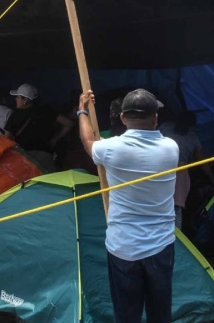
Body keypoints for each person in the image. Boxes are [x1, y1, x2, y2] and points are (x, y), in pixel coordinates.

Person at [77, 88, 177, 323]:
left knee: (126, 315)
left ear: (122, 118)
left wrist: (82, 110)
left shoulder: (111, 149)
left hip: (123, 247)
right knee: (160, 314)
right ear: (156, 118)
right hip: (160, 245)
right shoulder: (171, 148)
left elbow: (88, 141)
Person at [159, 109, 214, 229]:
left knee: (157, 202)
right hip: (180, 174)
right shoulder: (192, 137)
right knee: (177, 210)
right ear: (192, 125)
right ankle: (175, 236)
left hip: (161, 168)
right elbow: (203, 163)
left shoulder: (165, 127)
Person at [9, 83, 57, 172]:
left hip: (24, 157)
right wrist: (55, 139)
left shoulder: (15, 115)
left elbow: (7, 138)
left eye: (18, 97)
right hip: (45, 156)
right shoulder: (46, 111)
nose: (16, 99)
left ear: (25, 100)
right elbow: (68, 123)